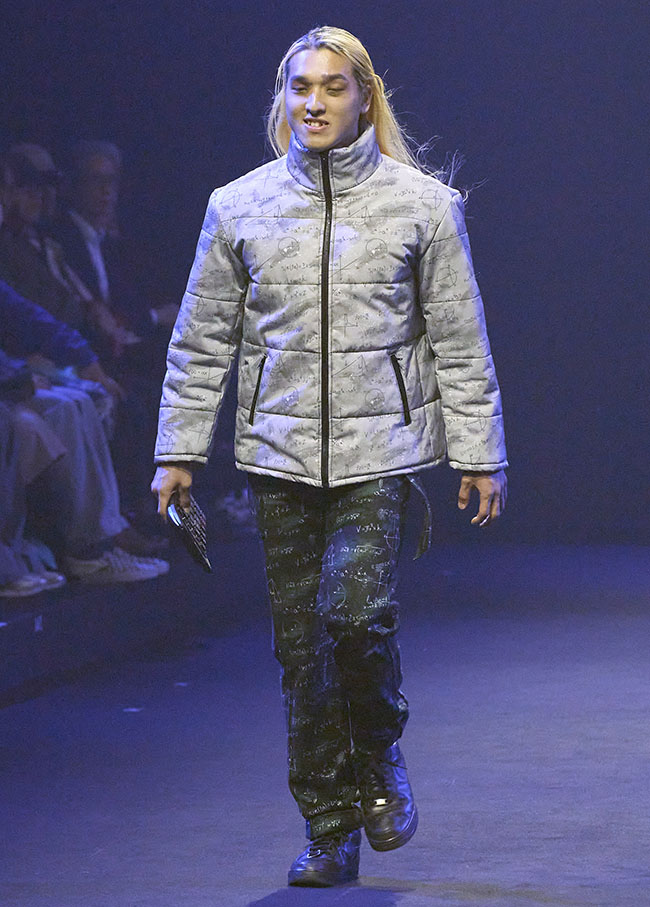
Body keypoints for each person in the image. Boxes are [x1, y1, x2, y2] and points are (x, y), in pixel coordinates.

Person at [152, 26, 508, 887]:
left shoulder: (422, 205)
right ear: (282, 98)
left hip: (378, 449)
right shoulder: (237, 206)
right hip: (276, 454)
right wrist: (177, 451)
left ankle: (380, 751)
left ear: (364, 97)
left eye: (333, 86)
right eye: (300, 86)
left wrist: (480, 452)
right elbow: (202, 338)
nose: (314, 102)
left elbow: (459, 338)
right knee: (301, 651)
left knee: (356, 614)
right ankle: (328, 826)